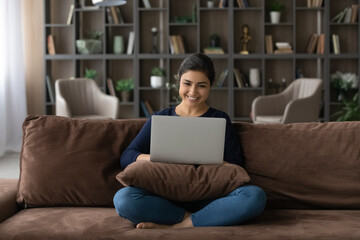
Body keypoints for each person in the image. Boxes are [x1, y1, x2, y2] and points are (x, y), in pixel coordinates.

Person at [113, 53, 266, 229]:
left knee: (255, 196)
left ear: (210, 86)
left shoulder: (220, 119)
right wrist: (157, 157)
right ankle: (194, 219)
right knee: (123, 199)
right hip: (165, 199)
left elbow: (236, 165)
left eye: (201, 85)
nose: (193, 92)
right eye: (187, 83)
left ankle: (180, 225)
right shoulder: (160, 117)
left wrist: (210, 161)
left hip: (211, 199)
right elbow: (127, 156)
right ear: (178, 81)